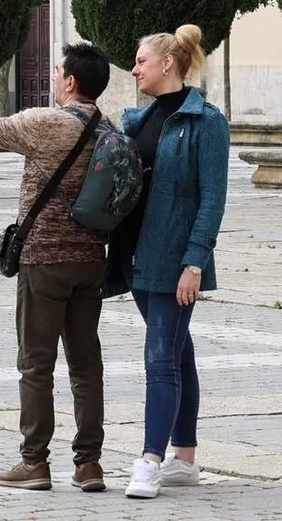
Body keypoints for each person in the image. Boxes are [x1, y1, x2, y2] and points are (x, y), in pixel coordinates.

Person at [0, 42, 113, 492]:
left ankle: (35, 462)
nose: (54, 80)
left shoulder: (46, 122)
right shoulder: (106, 126)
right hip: (91, 260)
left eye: (57, 73)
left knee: (36, 364)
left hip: (44, 262)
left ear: (71, 82)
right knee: (86, 364)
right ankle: (89, 464)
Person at [106, 25, 229, 499]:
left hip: (176, 263)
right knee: (178, 352)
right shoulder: (138, 121)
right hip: (136, 260)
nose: (134, 69)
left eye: (140, 61)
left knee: (160, 358)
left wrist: (195, 262)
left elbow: (212, 199)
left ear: (167, 64)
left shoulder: (206, 122)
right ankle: (186, 458)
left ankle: (151, 460)